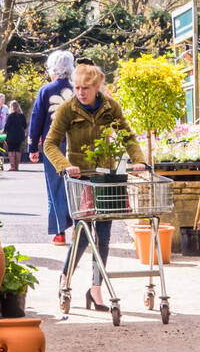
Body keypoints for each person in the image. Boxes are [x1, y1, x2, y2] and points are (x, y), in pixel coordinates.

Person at [43, 63, 147, 313]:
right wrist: (65, 165)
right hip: (80, 178)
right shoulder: (68, 109)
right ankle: (65, 280)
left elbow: (127, 137)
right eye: (77, 87)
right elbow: (50, 144)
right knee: (82, 233)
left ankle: (95, 289)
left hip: (106, 176)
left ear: (97, 86)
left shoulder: (111, 107)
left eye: (85, 88)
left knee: (104, 234)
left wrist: (139, 159)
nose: (80, 92)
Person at [28, 50, 76, 245]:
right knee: (79, 184)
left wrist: (32, 147)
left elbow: (37, 119)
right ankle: (81, 228)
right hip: (77, 143)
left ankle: (59, 233)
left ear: (54, 69)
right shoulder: (78, 88)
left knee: (55, 187)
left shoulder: (46, 90)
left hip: (53, 144)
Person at [5, 99, 28, 171]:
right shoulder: (22, 115)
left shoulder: (10, 116)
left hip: (11, 135)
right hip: (19, 135)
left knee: (11, 150)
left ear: (11, 107)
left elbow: (6, 127)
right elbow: (25, 126)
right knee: (18, 149)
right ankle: (17, 167)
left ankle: (12, 167)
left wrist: (4, 131)